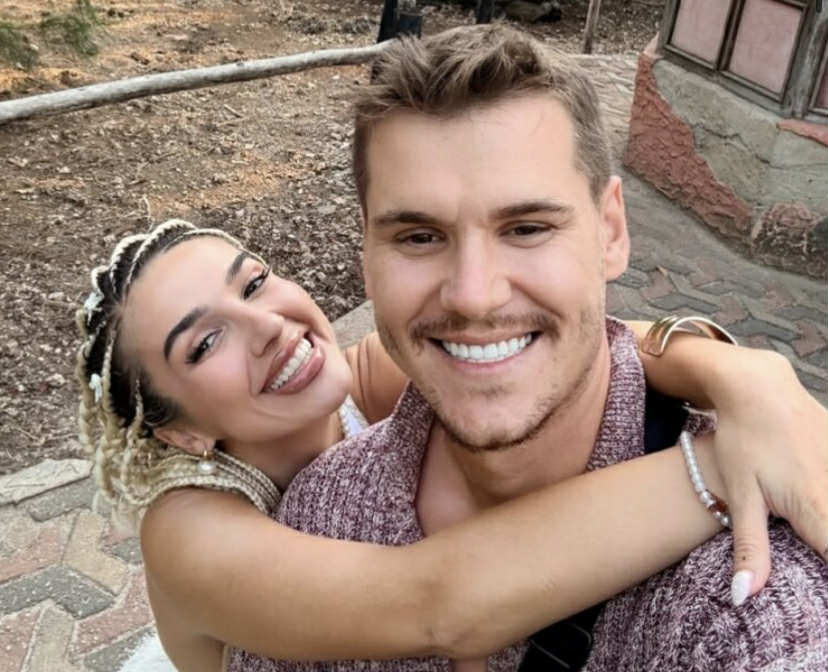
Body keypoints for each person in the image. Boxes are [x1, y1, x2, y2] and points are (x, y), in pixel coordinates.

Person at [244, 25, 828, 672]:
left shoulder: (755, 597)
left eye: (526, 228)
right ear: (366, 257)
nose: (474, 296)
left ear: (611, 231)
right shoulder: (321, 514)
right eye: (418, 237)